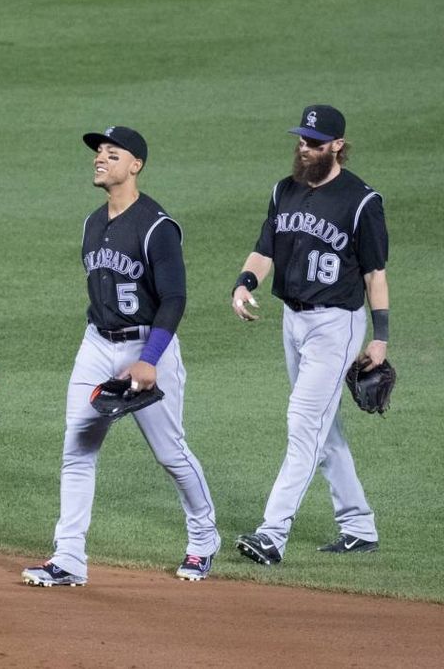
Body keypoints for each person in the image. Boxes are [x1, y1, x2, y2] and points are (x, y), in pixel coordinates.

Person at [22, 126, 221, 586]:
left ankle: (204, 536)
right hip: (96, 343)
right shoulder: (93, 222)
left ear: (136, 166)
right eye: (98, 153)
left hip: (149, 347)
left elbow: (174, 298)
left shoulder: (157, 226)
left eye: (112, 154)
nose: (100, 159)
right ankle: (69, 559)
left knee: (170, 452)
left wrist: (149, 358)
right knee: (78, 448)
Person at [231, 104, 389, 565]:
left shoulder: (361, 201)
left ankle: (272, 534)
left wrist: (379, 338)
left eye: (315, 143)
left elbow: (375, 274)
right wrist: (244, 282)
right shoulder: (285, 191)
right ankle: (359, 526)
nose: (305, 148)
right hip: (293, 321)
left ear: (337, 146)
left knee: (303, 425)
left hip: (336, 325)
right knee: (325, 428)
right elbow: (265, 250)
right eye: (301, 140)